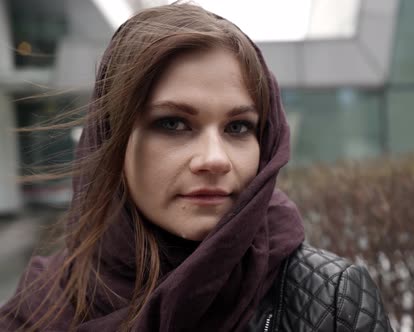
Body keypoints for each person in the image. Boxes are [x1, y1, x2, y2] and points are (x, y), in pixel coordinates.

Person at [0, 3, 393, 331]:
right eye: (173, 123)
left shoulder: (331, 302)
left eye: (238, 127)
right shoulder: (39, 305)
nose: (214, 159)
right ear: (112, 140)